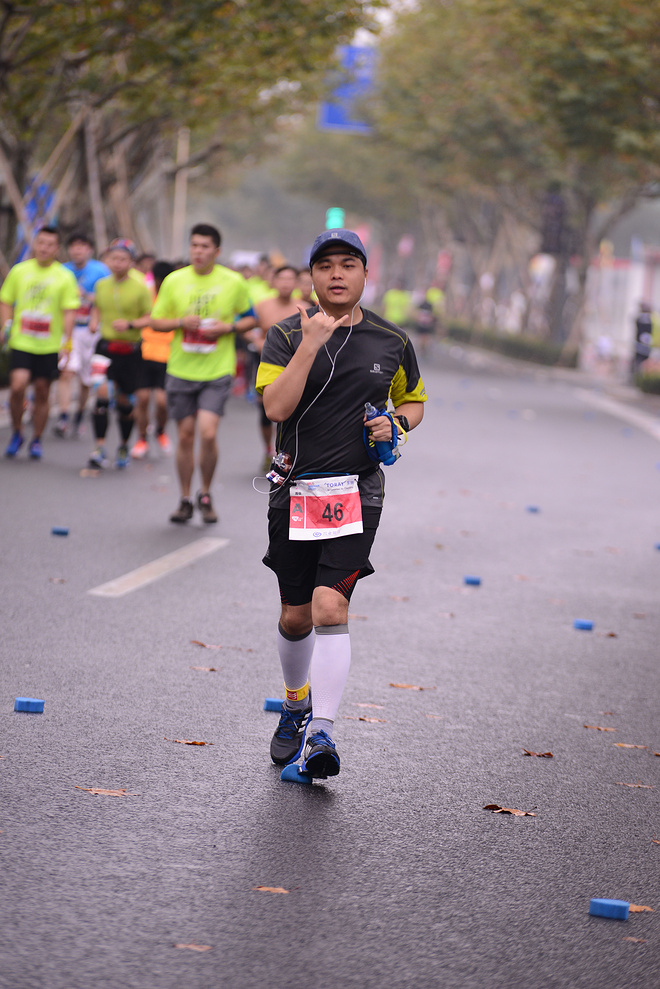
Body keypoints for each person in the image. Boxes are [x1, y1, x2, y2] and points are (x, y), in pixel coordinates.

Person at [256, 228, 426, 780]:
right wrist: (310, 343)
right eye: (325, 265)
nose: (336, 274)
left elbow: (415, 402)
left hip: (357, 490)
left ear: (364, 273)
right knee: (295, 614)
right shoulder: (285, 334)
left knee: (332, 605)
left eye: (347, 264)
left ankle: (323, 730)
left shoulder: (391, 340)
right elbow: (277, 408)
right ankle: (296, 702)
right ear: (311, 276)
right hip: (296, 488)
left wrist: (395, 422)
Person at [150, 223, 257, 524]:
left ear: (217, 251)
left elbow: (250, 319)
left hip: (216, 370)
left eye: (205, 246)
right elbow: (157, 322)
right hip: (181, 369)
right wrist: (180, 322)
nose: (198, 251)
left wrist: (229, 328)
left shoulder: (233, 282)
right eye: (194, 245)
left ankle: (205, 493)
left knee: (208, 433)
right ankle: (185, 498)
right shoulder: (174, 281)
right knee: (185, 436)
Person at [0, 226, 79, 459]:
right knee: (17, 386)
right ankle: (17, 431)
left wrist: (67, 341)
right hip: (22, 340)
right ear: (35, 244)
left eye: (50, 244)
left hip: (49, 344)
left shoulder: (64, 276)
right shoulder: (20, 271)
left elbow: (69, 311)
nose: (44, 248)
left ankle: (36, 438)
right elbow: (6, 300)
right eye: (40, 243)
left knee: (43, 392)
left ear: (57, 248)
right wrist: (6, 326)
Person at [87, 239, 152, 469]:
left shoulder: (140, 287)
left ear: (131, 262)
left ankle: (124, 444)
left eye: (122, 259)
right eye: (113, 258)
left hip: (130, 351)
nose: (117, 263)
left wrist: (131, 324)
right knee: (101, 397)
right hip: (105, 348)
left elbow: (149, 317)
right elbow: (97, 308)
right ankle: (99, 447)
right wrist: (94, 321)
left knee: (125, 404)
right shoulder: (101, 285)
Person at [55, 233, 110, 437]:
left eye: (82, 246)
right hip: (68, 329)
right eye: (74, 246)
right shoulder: (62, 271)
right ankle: (63, 417)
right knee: (66, 372)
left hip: (90, 330)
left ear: (89, 250)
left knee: (86, 380)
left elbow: (106, 298)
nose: (78, 250)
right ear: (68, 250)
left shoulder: (100, 271)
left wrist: (85, 296)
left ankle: (79, 414)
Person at [253, 265, 300, 471]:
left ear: (296, 283)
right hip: (265, 363)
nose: (286, 283)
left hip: (295, 366)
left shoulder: (304, 308)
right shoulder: (262, 306)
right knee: (266, 411)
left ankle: (288, 454)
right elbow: (247, 327)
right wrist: (256, 342)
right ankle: (267, 449)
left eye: (291, 279)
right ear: (274, 281)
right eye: (282, 279)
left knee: (292, 411)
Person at [130, 260, 176, 459]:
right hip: (144, 352)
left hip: (168, 354)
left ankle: (160, 431)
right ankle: (141, 438)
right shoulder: (145, 293)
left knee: (162, 402)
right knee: (142, 399)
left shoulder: (176, 296)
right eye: (157, 281)